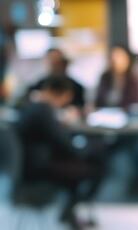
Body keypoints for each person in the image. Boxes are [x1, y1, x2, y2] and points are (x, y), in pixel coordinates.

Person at [13, 74, 105, 229]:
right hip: (39, 170)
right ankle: (69, 210)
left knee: (76, 169)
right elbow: (66, 146)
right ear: (63, 95)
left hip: (29, 166)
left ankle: (69, 212)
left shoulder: (32, 107)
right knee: (95, 167)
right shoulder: (43, 111)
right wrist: (84, 149)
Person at [94, 45, 138, 112]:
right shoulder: (105, 77)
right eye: (113, 58)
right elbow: (98, 101)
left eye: (119, 57)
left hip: (125, 116)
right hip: (104, 114)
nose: (116, 61)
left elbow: (134, 103)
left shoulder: (132, 79)